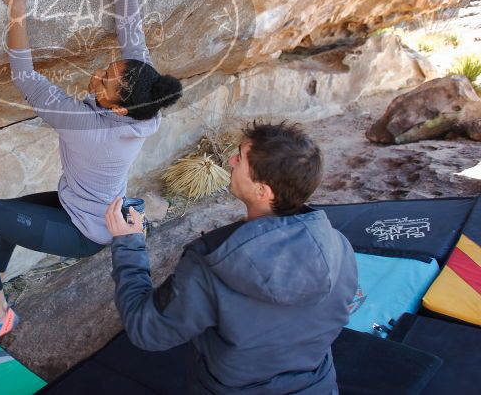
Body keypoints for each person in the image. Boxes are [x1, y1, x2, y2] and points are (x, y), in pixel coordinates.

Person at [0, 0, 183, 355]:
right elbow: (130, 27)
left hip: (82, 232)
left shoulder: (86, 125)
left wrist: (17, 8)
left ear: (117, 109)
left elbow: (26, 77)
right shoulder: (143, 95)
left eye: (105, 82)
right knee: (5, 214)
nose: (97, 75)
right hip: (83, 203)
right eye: (109, 69)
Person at [105, 121, 358, 394]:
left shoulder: (213, 263)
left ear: (263, 191)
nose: (231, 160)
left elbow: (147, 330)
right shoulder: (339, 246)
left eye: (241, 158)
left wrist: (128, 244)